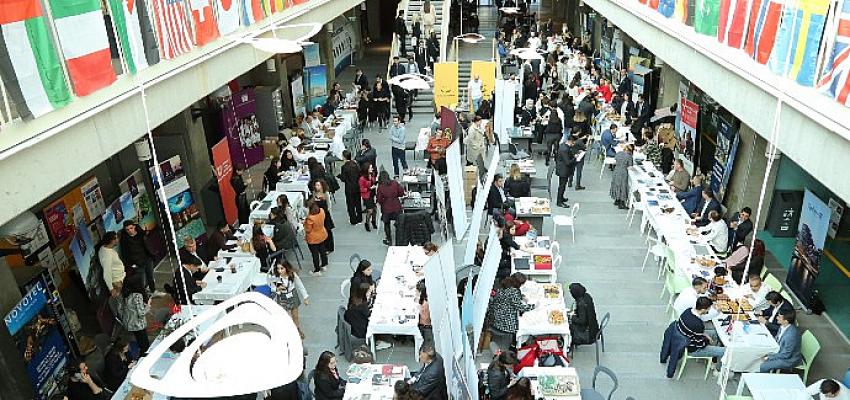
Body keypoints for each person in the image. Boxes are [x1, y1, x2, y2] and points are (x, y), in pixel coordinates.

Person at [677, 297, 725, 370]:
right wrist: (707, 340)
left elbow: (697, 332)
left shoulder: (688, 311)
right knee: (724, 351)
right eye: (708, 309)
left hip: (686, 338)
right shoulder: (698, 324)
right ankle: (718, 370)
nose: (708, 311)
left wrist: (705, 335)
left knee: (716, 333)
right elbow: (700, 345)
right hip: (694, 349)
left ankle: (714, 358)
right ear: (703, 309)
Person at [489, 274, 535, 344]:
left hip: (497, 315)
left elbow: (508, 297)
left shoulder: (506, 284)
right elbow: (521, 307)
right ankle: (515, 343)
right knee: (525, 324)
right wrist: (534, 306)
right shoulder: (513, 292)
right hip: (503, 322)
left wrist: (521, 296)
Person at [271, 259, 309, 338]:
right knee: (285, 317)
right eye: (278, 268)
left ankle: (297, 330)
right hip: (282, 297)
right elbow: (272, 288)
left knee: (295, 316)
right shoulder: (275, 277)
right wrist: (277, 289)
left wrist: (305, 297)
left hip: (292, 295)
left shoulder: (292, 275)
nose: (280, 271)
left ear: (286, 268)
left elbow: (300, 285)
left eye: (282, 268)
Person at [120, 221, 155, 293]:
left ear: (134, 227)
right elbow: (125, 254)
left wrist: (151, 255)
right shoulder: (124, 239)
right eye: (127, 229)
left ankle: (153, 291)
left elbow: (147, 245)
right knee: (141, 282)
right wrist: (132, 265)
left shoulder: (141, 233)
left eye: (131, 228)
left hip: (147, 259)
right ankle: (145, 297)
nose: (129, 231)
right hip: (137, 263)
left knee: (150, 277)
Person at [119, 273, 151, 353]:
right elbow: (141, 313)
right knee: (145, 344)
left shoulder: (123, 294)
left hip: (129, 323)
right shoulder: (137, 296)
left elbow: (120, 309)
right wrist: (148, 305)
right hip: (138, 325)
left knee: (138, 339)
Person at [376, 170, 405, 245]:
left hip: (386, 209)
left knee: (387, 224)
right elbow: (401, 192)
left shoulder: (380, 187)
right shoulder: (394, 183)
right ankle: (400, 239)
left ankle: (389, 240)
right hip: (396, 207)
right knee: (399, 223)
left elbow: (379, 199)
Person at [304, 200, 329, 276]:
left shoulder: (310, 218)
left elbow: (308, 230)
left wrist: (304, 223)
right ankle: (324, 264)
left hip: (313, 238)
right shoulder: (321, 211)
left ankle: (317, 270)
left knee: (315, 254)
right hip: (322, 233)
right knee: (322, 250)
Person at [98, 232, 126, 297]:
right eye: (116, 238)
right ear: (112, 241)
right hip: (117, 281)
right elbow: (107, 272)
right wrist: (111, 289)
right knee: (122, 299)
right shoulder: (106, 255)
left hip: (121, 278)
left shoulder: (104, 248)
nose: (118, 239)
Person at [339, 150, 364, 225]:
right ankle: (360, 218)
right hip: (357, 186)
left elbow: (343, 179)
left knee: (350, 204)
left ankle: (353, 220)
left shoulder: (344, 167)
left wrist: (340, 176)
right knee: (358, 203)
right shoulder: (355, 164)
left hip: (349, 188)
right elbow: (360, 174)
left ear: (344, 157)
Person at [312, 179, 336, 253]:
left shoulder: (326, 193)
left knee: (327, 231)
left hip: (325, 214)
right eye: (316, 185)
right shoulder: (314, 193)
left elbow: (329, 205)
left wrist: (328, 214)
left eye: (318, 185)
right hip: (317, 215)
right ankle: (323, 247)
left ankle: (329, 247)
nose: (317, 187)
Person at [555, 135, 579, 208]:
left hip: (563, 168)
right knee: (562, 186)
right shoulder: (564, 149)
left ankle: (561, 197)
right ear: (571, 141)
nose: (573, 144)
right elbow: (568, 162)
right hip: (563, 170)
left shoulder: (563, 146)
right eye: (573, 143)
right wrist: (575, 158)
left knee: (563, 185)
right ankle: (559, 201)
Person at [610, 144, 634, 209]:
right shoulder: (629, 156)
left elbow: (615, 161)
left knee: (616, 184)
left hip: (616, 170)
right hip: (623, 172)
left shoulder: (619, 153)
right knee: (623, 186)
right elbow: (630, 167)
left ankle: (617, 200)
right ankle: (622, 203)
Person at [359, 162, 379, 232]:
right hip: (367, 196)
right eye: (370, 167)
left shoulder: (372, 174)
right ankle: (367, 223)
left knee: (375, 210)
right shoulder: (362, 178)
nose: (372, 169)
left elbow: (373, 182)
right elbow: (361, 189)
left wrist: (376, 182)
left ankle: (373, 222)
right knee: (370, 210)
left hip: (372, 194)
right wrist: (370, 188)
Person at [417, 280, 433, 346]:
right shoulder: (425, 299)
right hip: (425, 323)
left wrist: (419, 309)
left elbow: (424, 317)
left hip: (425, 324)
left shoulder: (426, 303)